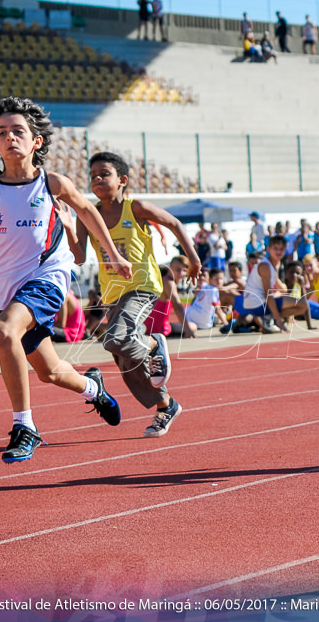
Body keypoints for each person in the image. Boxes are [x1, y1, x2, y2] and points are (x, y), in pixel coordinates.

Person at [0, 96, 133, 463]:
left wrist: (112, 253)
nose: (10, 137)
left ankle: (25, 426)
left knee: (2, 333)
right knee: (49, 372)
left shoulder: (53, 183)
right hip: (3, 285)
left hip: (46, 275)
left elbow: (88, 213)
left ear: (36, 141)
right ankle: (92, 388)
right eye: (2, 132)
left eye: (19, 131)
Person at [70, 151, 201, 439]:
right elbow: (78, 256)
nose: (97, 179)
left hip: (142, 287)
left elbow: (175, 224)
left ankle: (154, 345)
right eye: (93, 176)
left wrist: (193, 260)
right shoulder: (88, 214)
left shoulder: (136, 207)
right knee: (124, 357)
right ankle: (166, 405)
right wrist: (69, 225)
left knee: (116, 339)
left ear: (123, 180)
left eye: (104, 174)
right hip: (113, 294)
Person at [232, 234, 287, 333]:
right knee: (247, 318)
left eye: (256, 262)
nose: (254, 265)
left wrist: (276, 294)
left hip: (262, 303)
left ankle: (266, 322)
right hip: (252, 304)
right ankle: (262, 323)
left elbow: (280, 289)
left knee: (278, 298)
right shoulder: (251, 274)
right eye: (251, 263)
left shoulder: (269, 268)